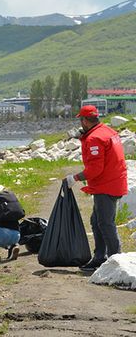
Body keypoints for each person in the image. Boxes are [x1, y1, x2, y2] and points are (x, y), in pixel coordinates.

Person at [64, 105, 128, 272]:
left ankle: (115, 259)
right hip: (115, 181)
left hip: (106, 185)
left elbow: (95, 169)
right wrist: (83, 137)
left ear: (84, 120)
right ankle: (100, 257)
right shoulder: (107, 131)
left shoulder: (95, 138)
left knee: (106, 223)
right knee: (96, 221)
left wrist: (75, 178)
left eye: (81, 120)